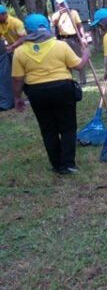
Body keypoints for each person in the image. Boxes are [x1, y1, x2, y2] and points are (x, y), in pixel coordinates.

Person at [11, 14, 90, 174]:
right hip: (63, 89)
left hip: (37, 92)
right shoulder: (60, 46)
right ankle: (67, 164)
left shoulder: (19, 52)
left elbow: (17, 79)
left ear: (27, 31)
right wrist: (86, 53)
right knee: (68, 127)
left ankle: (56, 164)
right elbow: (79, 66)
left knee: (48, 129)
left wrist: (18, 97)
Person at [51, 0, 87, 85]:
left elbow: (80, 26)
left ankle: (83, 80)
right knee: (65, 60)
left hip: (73, 38)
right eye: (60, 4)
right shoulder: (55, 15)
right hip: (63, 39)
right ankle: (69, 79)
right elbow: (53, 24)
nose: (62, 5)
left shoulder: (73, 12)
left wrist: (83, 37)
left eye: (63, 3)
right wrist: (60, 13)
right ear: (57, 4)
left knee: (79, 58)